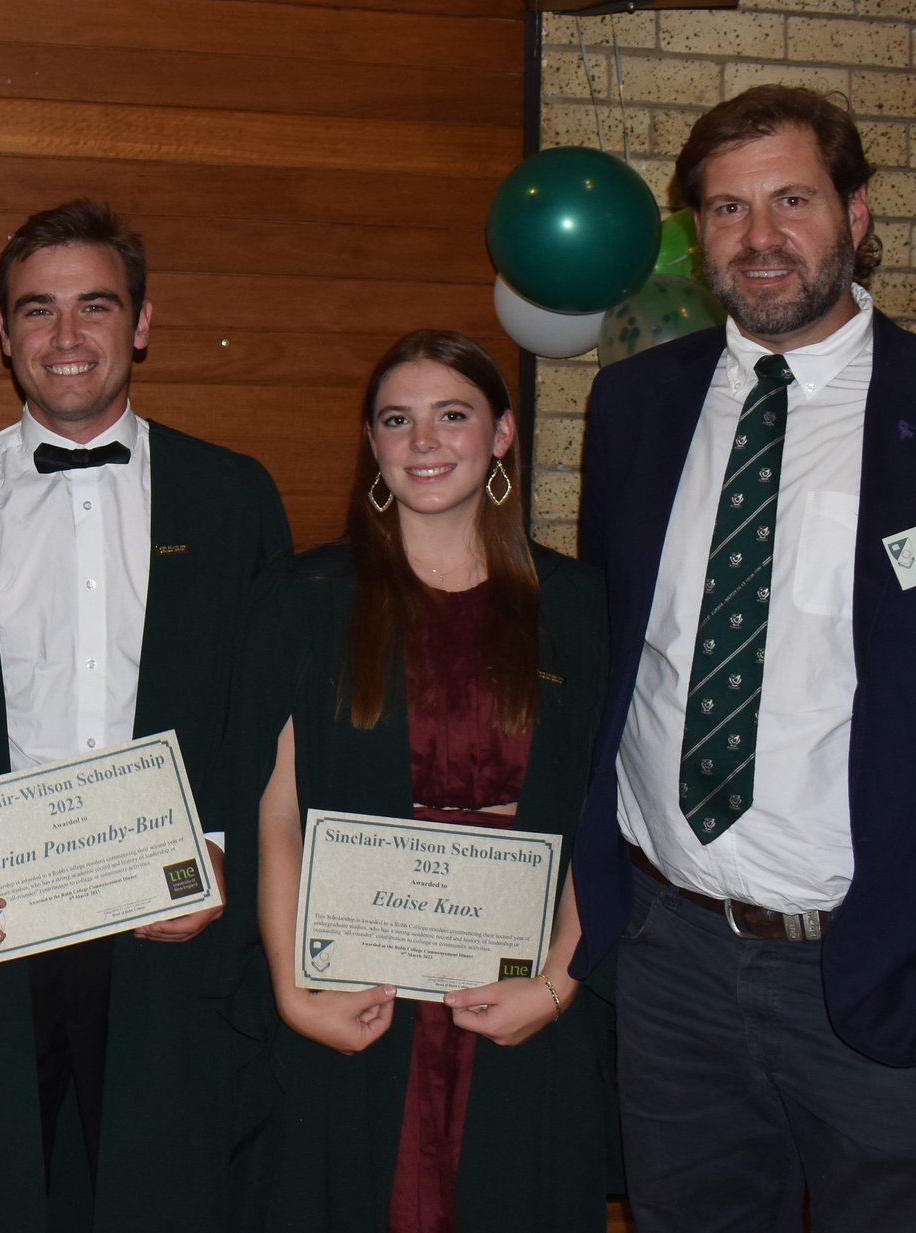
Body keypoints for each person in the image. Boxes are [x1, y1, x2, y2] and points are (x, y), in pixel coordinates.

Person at [571, 84, 916, 1232]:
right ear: (694, 234)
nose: (759, 239)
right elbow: (615, 662)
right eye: (726, 210)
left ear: (854, 213)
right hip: (671, 959)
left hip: (890, 957)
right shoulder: (635, 409)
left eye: (791, 200)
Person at [0, 199, 291, 1231]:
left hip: (168, 930)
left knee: (164, 1198)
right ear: (3, 335)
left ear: (141, 322)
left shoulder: (232, 496)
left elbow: (264, 703)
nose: (66, 338)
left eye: (94, 307)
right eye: (37, 311)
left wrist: (221, 850)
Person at [246, 330, 610, 1232]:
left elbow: (600, 813)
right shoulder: (306, 595)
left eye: (454, 415)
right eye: (397, 420)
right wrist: (297, 988)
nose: (424, 441)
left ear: (502, 436)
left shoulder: (578, 604)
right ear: (372, 445)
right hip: (358, 991)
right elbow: (279, 809)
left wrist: (560, 982)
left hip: (519, 990)